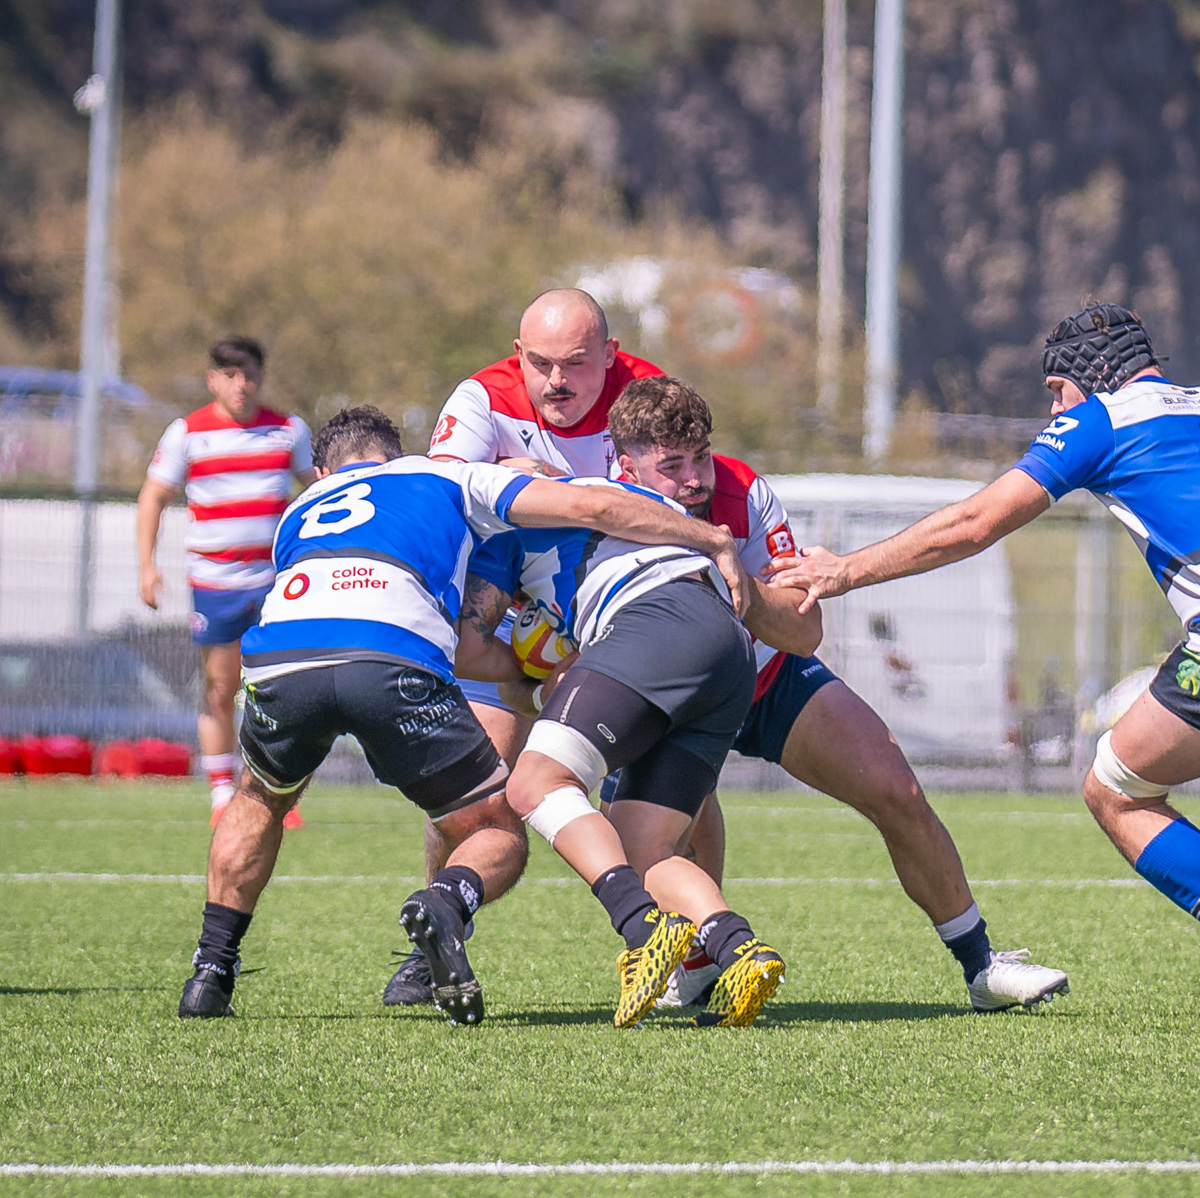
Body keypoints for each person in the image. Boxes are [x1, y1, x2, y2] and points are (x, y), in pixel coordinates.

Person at [770, 304, 1200, 1020]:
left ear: (1085, 380)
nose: (1052, 409)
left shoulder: (1102, 418)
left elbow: (976, 523)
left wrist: (844, 572)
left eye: (1054, 392)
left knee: (1115, 788)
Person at [176, 406, 750, 1025]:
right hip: (391, 652)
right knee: (495, 826)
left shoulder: (298, 510)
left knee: (258, 802)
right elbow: (594, 507)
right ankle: (450, 904)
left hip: (284, 655)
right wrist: (709, 536)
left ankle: (211, 972)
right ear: (398, 454)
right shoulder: (446, 475)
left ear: (319, 471)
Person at [607, 376, 1072, 1013]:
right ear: (623, 465)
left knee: (897, 789)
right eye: (671, 466)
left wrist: (733, 580)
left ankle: (982, 966)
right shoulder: (593, 507)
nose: (694, 479)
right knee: (671, 833)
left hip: (764, 677)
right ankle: (695, 963)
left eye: (700, 457)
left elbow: (803, 630)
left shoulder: (743, 492)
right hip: (665, 697)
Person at [382, 288, 665, 1006]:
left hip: (617, 626)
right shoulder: (482, 396)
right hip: (504, 619)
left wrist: (552, 487)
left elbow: (680, 493)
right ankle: (434, 937)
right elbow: (445, 488)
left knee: (672, 788)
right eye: (539, 364)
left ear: (610, 354)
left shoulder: (647, 395)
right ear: (518, 355)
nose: (556, 382)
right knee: (473, 797)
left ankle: (696, 945)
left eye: (575, 364)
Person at [456, 466, 801, 1028]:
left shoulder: (508, 523)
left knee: (533, 782)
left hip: (652, 626)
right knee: (647, 851)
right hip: (730, 646)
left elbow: (467, 647)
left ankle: (640, 924)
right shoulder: (630, 493)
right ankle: (742, 951)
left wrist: (528, 680)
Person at [136, 337, 312, 825]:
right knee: (220, 685)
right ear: (213, 378)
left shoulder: (288, 431)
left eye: (249, 374)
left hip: (277, 584)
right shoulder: (188, 433)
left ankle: (278, 792)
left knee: (282, 687)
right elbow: (152, 496)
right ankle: (220, 794)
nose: (242, 384)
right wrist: (147, 567)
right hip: (214, 582)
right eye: (230, 375)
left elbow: (320, 489)